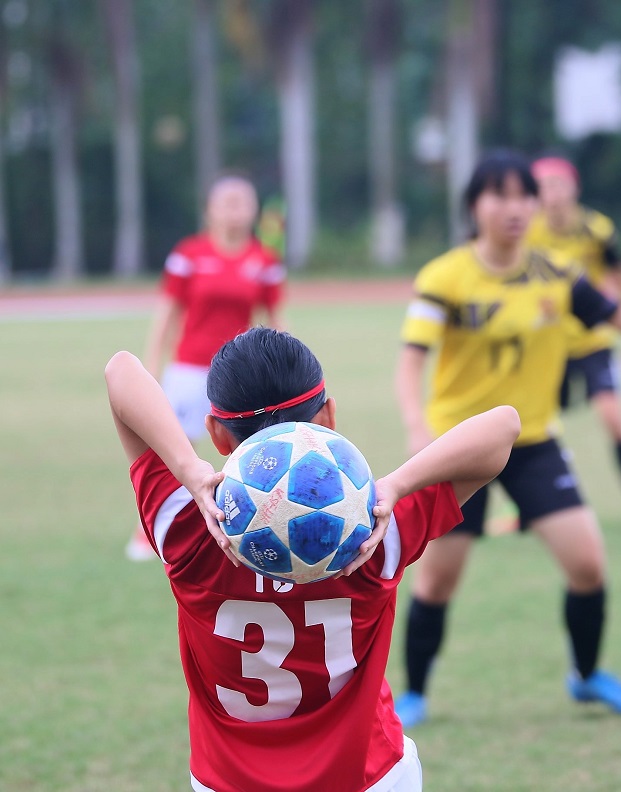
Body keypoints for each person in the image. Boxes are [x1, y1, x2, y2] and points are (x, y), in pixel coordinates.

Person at [393, 150, 621, 729]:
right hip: (459, 447)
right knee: (438, 579)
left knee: (588, 565)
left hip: (534, 442)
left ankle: (587, 676)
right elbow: (409, 363)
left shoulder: (557, 274)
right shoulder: (444, 277)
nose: (516, 206)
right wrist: (417, 427)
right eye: (499, 195)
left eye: (524, 194)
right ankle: (414, 694)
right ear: (474, 206)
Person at [106, 327, 520, 792]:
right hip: (371, 777)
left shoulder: (186, 528)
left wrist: (191, 470)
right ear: (328, 416)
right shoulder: (378, 533)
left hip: (228, 782)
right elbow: (504, 426)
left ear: (217, 434)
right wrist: (397, 485)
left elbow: (121, 370)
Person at [125, 175, 286, 561]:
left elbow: (275, 320)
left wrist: (284, 369)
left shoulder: (264, 261)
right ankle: (148, 533)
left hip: (240, 374)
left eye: (242, 201)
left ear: (254, 210)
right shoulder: (189, 254)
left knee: (250, 455)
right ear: (209, 209)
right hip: (189, 370)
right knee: (171, 454)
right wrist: (152, 362)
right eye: (226, 201)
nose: (235, 209)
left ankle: (250, 529)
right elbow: (167, 313)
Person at [517, 155, 621, 533]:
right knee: (526, 424)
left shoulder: (597, 229)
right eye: (542, 186)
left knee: (614, 418)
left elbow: (620, 275)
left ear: (574, 188)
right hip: (547, 345)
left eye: (558, 184)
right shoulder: (526, 231)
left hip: (594, 340)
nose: (551, 194)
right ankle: (518, 511)